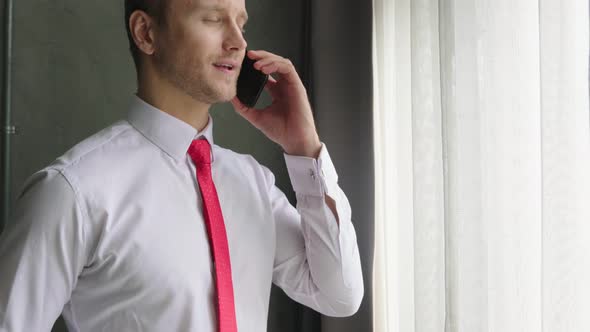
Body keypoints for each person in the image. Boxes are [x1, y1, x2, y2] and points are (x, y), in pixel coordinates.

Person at [0, 0, 364, 331]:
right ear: (146, 32)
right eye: (212, 19)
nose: (238, 43)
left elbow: (339, 294)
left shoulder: (253, 183)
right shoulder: (72, 192)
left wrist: (304, 149)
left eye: (241, 24)